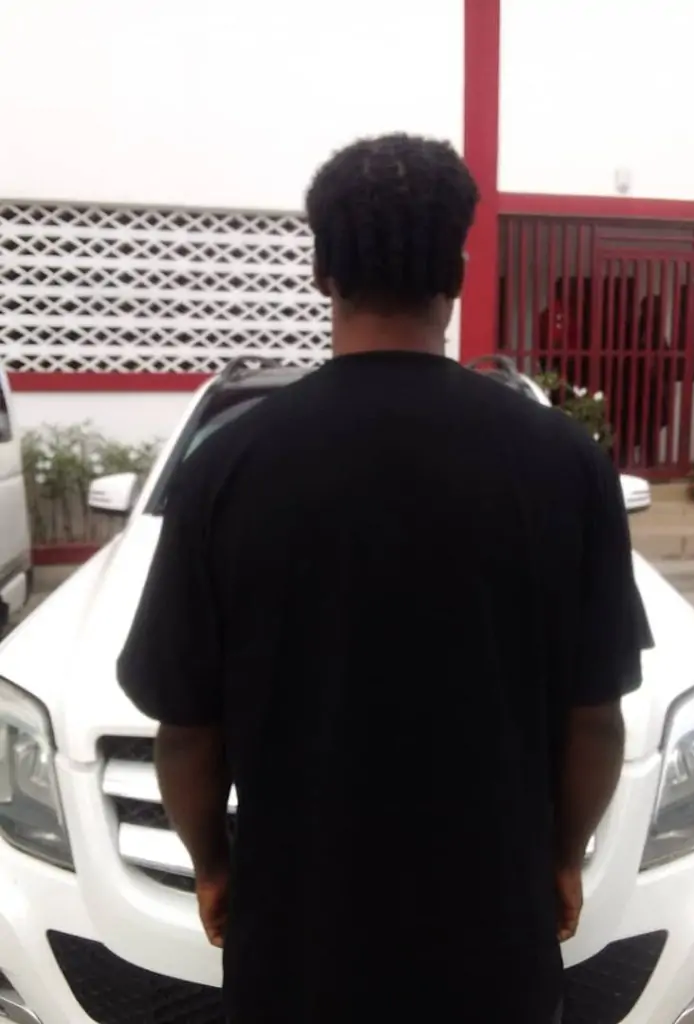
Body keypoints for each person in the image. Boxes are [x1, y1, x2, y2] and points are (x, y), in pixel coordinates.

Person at [117, 133, 651, 1024]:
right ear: (457, 274)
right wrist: (563, 857)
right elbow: (595, 719)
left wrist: (213, 866)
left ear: (322, 272)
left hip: (295, 956)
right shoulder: (564, 462)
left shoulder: (227, 468)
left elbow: (187, 735)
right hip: (495, 952)